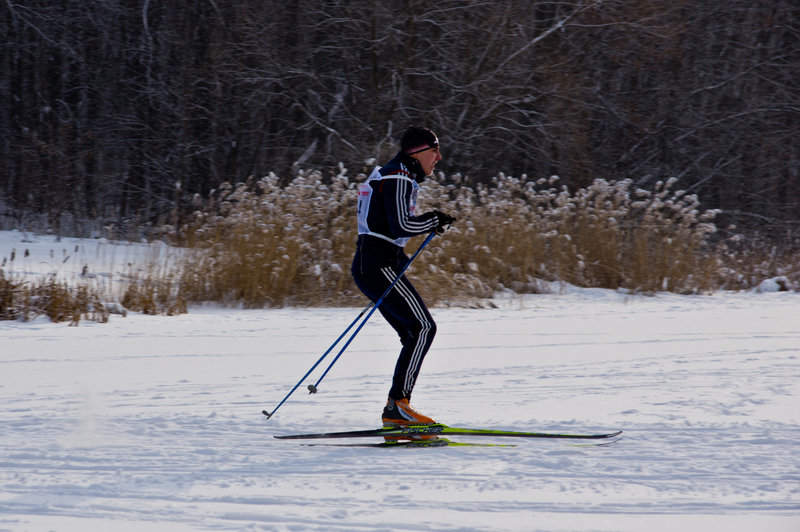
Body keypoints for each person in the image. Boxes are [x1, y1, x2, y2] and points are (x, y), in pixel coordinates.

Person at [352, 126, 455, 427]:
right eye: (434, 150)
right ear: (417, 152)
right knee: (423, 328)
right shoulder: (398, 176)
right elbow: (400, 225)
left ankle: (396, 408)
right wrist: (433, 220)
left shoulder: (396, 174)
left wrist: (430, 223)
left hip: (375, 265)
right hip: (378, 265)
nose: (438, 157)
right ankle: (398, 407)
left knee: (414, 332)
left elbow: (391, 225)